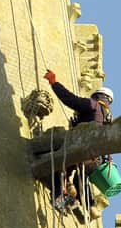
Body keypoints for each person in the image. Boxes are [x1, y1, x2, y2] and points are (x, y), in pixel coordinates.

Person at [43, 69, 114, 218]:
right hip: (95, 158)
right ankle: (87, 204)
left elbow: (70, 99)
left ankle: (60, 197)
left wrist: (54, 83)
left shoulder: (93, 105)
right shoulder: (107, 118)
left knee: (60, 168)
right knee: (81, 178)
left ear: (97, 96)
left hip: (81, 148)